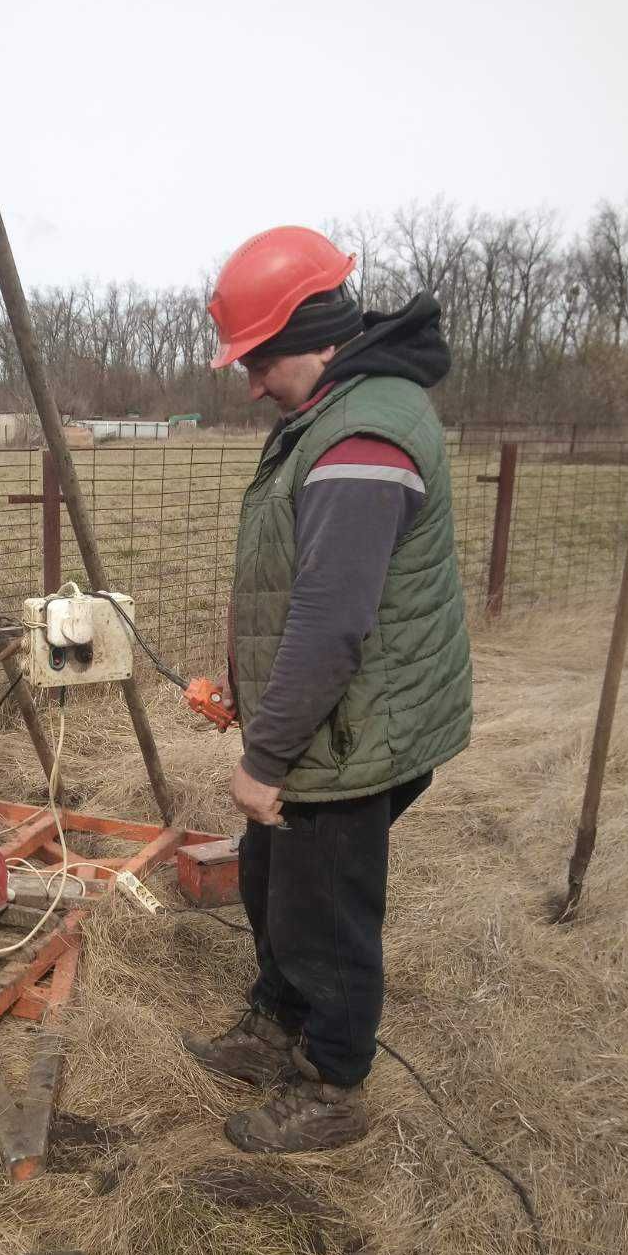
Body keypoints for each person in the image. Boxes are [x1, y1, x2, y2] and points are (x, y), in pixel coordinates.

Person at [183, 226, 472, 1154]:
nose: (252, 382)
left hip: (352, 736)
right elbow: (295, 584)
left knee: (328, 912)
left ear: (310, 336)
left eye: (258, 360)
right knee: (274, 881)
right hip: (328, 716)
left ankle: (335, 1084)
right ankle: (275, 1020)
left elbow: (332, 620)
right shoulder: (333, 410)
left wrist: (265, 757)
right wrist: (251, 690)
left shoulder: (363, 435)